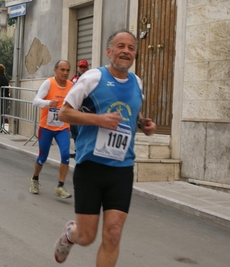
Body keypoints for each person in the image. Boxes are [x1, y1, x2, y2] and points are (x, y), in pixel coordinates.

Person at [53, 29, 156, 266]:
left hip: (122, 167)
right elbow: (65, 112)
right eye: (121, 46)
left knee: (113, 234)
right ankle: (71, 233)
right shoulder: (93, 78)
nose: (126, 51)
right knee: (87, 237)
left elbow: (132, 111)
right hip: (91, 166)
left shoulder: (136, 82)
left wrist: (142, 123)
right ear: (109, 51)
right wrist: (99, 120)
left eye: (131, 48)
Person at [29, 60, 72, 199]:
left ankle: (60, 185)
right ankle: (35, 179)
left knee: (65, 155)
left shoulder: (71, 85)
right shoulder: (49, 83)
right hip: (46, 127)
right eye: (62, 70)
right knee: (42, 157)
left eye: (67, 70)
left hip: (62, 127)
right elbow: (35, 101)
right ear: (55, 70)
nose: (65, 73)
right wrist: (48, 103)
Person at [69, 59, 89, 158]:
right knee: (75, 131)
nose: (82, 69)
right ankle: (78, 151)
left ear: (87, 67)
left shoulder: (91, 78)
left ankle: (84, 151)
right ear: (78, 68)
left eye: (84, 67)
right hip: (74, 109)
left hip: (86, 110)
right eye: (81, 67)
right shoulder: (74, 79)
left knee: (84, 131)